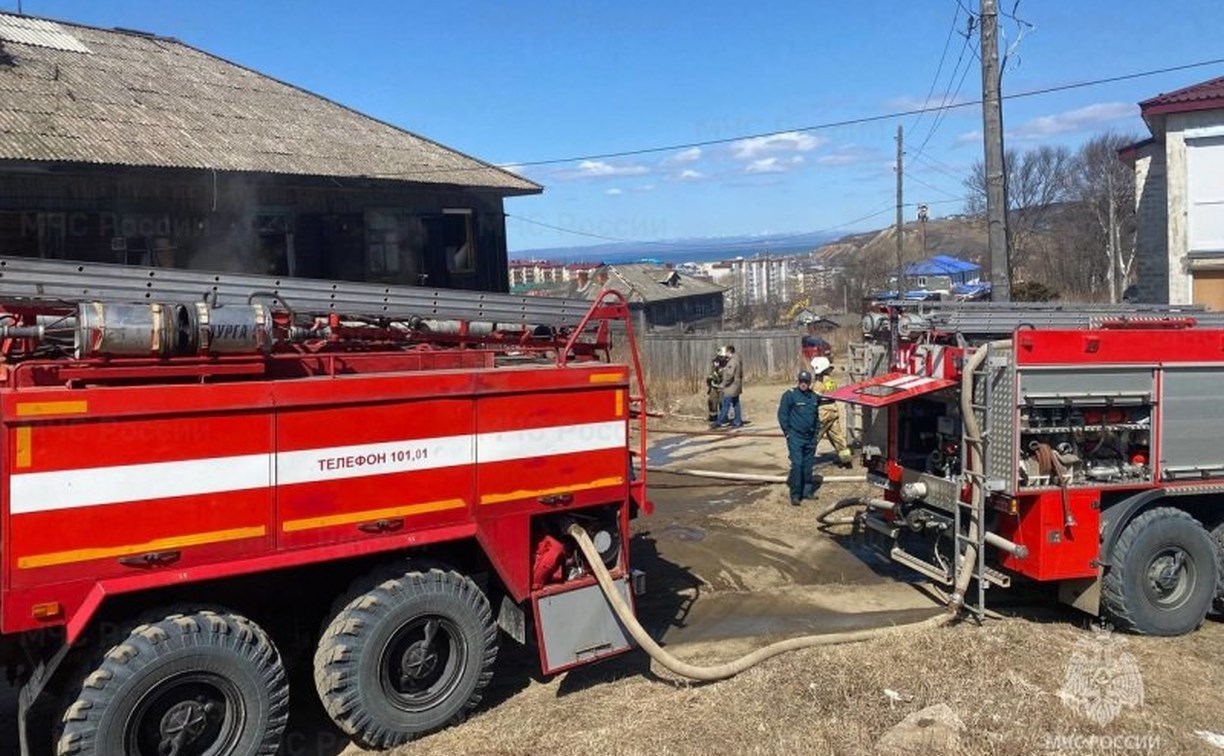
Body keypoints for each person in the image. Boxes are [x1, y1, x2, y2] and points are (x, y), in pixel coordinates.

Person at [777, 369, 820, 505]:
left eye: (806, 382)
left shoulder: (814, 397)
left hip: (810, 437)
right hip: (795, 436)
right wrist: (787, 432)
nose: (803, 384)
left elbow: (816, 417)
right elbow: (782, 415)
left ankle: (807, 492)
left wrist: (816, 433)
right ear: (798, 381)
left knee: (808, 466)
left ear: (810, 383)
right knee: (797, 464)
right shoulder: (790, 395)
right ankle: (795, 495)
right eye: (801, 381)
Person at [811, 356, 853, 468]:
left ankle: (805, 461)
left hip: (823, 412)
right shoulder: (831, 381)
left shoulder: (819, 383)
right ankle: (846, 461)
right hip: (833, 409)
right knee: (838, 438)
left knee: (814, 436)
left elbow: (813, 397)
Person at [713, 345, 744, 428]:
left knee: (725, 404)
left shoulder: (732, 361)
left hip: (731, 387)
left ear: (729, 352)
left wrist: (723, 384)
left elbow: (730, 375)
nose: (725, 353)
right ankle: (738, 421)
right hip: (737, 386)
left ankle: (719, 421)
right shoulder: (737, 359)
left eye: (726, 352)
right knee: (736, 404)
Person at [705, 353, 726, 423]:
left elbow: (725, 377)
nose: (715, 364)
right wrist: (709, 379)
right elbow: (710, 376)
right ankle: (713, 417)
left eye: (717, 362)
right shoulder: (713, 369)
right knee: (712, 401)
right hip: (714, 387)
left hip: (723, 387)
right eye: (714, 362)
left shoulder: (725, 368)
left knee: (722, 402)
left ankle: (723, 417)